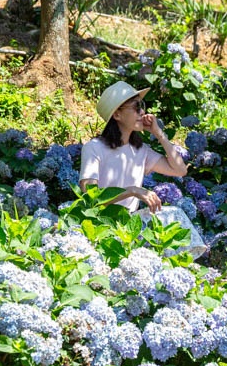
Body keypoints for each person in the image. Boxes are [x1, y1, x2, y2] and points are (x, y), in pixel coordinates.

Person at [79, 81, 207, 258]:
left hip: (131, 223)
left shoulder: (140, 150)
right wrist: (132, 191)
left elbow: (180, 170)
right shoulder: (94, 148)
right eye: (136, 107)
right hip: (101, 224)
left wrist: (159, 134)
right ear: (117, 114)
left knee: (175, 215)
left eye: (143, 106)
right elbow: (90, 197)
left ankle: (185, 270)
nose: (142, 112)